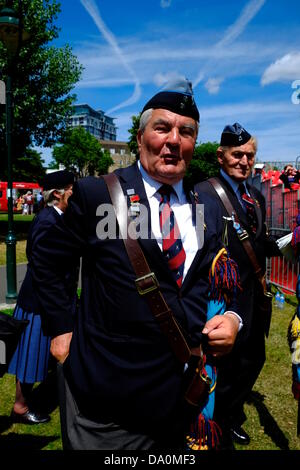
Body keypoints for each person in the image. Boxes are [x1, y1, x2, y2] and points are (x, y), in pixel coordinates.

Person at [31, 79, 241, 450]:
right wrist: (61, 328)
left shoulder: (205, 206)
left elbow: (218, 280)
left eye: (186, 131)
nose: (174, 139)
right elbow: (47, 258)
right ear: (141, 136)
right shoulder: (98, 195)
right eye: (162, 127)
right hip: (106, 405)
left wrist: (233, 319)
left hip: (180, 399)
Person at [197, 123, 281, 448]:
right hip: (224, 299)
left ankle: (231, 414)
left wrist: (276, 244)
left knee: (254, 359)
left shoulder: (255, 197)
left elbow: (254, 240)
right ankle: (220, 420)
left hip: (254, 296)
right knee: (226, 366)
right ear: (221, 156)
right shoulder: (204, 193)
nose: (244, 161)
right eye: (237, 154)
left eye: (249, 155)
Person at [8, 170, 77, 425]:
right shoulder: (48, 221)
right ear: (57, 194)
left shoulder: (58, 217)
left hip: (48, 302)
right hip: (40, 304)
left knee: (37, 357)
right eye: (72, 188)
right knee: (30, 357)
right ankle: (20, 407)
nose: (76, 193)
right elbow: (44, 271)